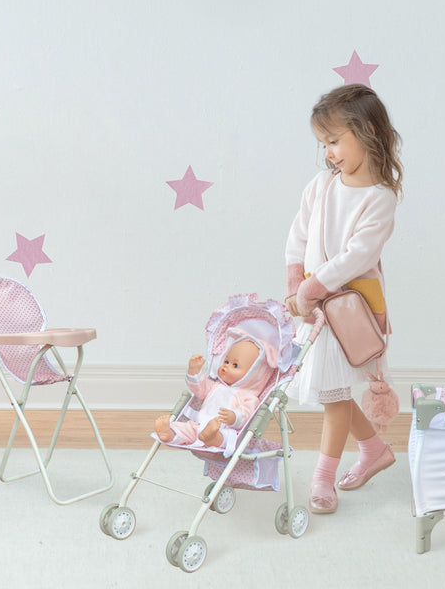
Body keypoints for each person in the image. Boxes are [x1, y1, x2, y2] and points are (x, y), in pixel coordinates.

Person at [284, 83, 403, 514]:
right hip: (313, 307)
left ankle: (322, 479)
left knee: (333, 397)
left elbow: (359, 256)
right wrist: (294, 278)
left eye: (335, 141)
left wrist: (312, 288)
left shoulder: (380, 198)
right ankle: (374, 450)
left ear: (368, 131)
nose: (329, 152)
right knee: (333, 391)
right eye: (324, 143)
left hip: (349, 309)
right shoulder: (321, 186)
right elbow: (297, 235)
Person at [155, 329, 276, 454]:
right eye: (226, 361)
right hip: (198, 425)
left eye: (235, 365)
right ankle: (170, 433)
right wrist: (194, 372)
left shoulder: (249, 397)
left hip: (224, 430)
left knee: (229, 437)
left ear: (254, 374)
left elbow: (246, 414)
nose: (226, 366)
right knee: (184, 428)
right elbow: (200, 389)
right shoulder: (215, 386)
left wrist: (234, 417)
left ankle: (213, 438)